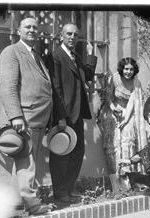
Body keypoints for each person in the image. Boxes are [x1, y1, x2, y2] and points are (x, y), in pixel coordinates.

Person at [0, 16, 53, 215]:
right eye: (27, 27)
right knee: (27, 164)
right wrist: (15, 116)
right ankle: (32, 205)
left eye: (35, 27)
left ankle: (15, 204)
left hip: (38, 117)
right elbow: (7, 87)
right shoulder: (11, 52)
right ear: (18, 30)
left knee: (24, 163)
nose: (32, 30)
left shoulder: (35, 55)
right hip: (24, 118)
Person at [48, 23, 97, 202]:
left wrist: (91, 54)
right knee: (61, 154)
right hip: (63, 116)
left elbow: (88, 75)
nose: (72, 37)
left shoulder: (75, 56)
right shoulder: (55, 56)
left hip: (76, 115)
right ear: (61, 36)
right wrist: (60, 117)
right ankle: (60, 193)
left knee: (76, 153)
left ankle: (69, 190)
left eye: (76, 35)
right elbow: (56, 89)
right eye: (69, 34)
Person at [99, 57, 150, 189]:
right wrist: (113, 108)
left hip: (129, 112)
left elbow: (133, 105)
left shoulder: (136, 83)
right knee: (114, 138)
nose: (128, 72)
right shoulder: (115, 78)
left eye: (131, 69)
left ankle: (128, 175)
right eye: (126, 69)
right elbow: (108, 96)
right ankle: (116, 178)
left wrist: (126, 119)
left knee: (129, 133)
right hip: (114, 109)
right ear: (122, 68)